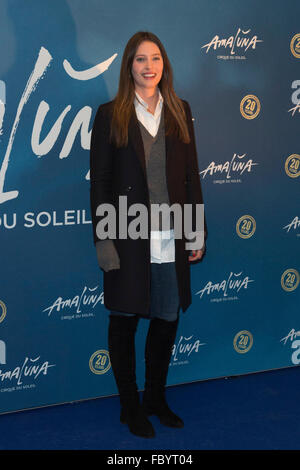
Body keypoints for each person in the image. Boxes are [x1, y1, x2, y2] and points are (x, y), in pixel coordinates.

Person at [90, 31, 207, 439]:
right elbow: (101, 182)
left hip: (171, 236)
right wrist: (105, 241)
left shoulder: (180, 110)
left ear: (164, 65)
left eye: (155, 58)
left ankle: (155, 398)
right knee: (123, 322)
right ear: (129, 67)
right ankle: (129, 406)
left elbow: (191, 178)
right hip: (127, 235)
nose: (149, 66)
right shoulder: (110, 114)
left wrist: (195, 232)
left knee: (166, 319)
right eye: (140, 59)